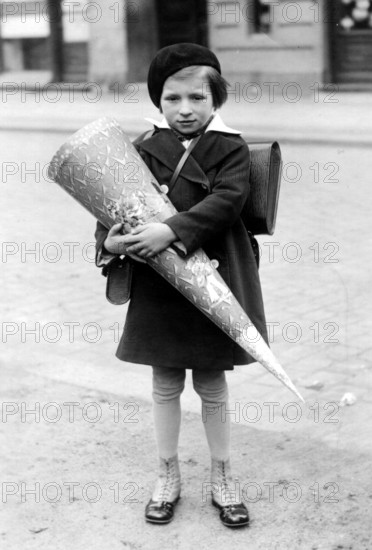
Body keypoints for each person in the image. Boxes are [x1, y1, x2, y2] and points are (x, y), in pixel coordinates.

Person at [94, 43, 268, 528]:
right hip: (160, 285)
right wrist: (112, 240)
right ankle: (167, 474)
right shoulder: (143, 149)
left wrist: (170, 230)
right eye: (173, 99)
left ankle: (223, 476)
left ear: (217, 102)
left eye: (197, 98)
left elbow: (228, 201)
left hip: (213, 280)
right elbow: (113, 202)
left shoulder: (229, 148)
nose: (185, 109)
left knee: (211, 383)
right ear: (158, 101)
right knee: (165, 383)